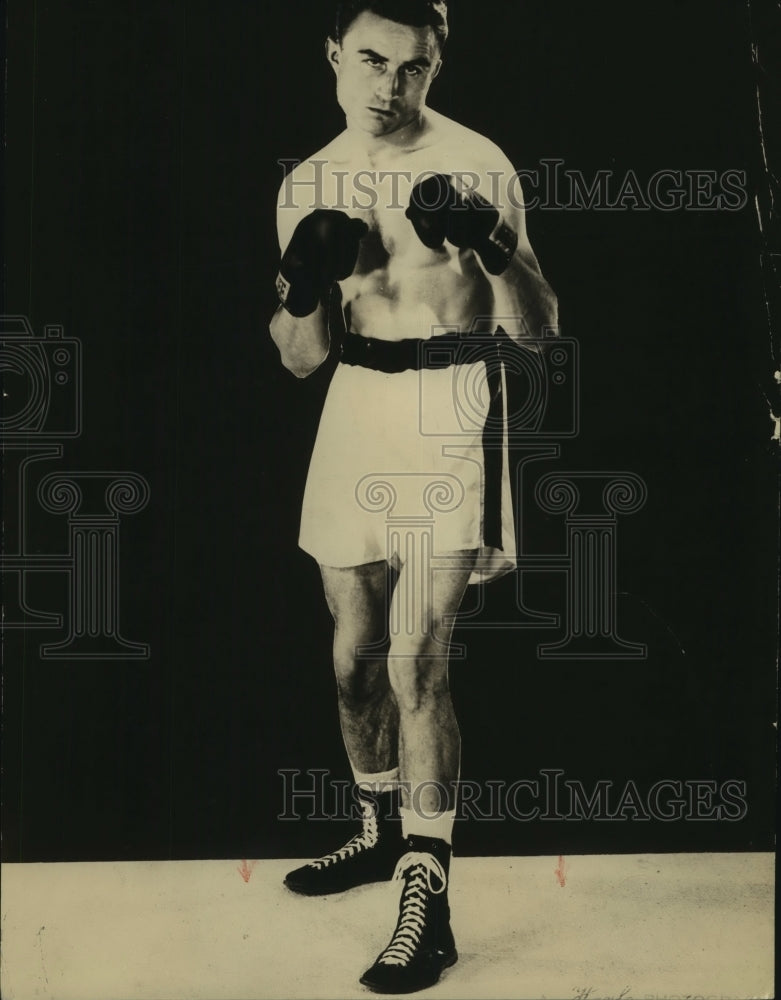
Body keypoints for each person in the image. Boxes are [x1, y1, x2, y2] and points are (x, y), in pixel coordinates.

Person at [269, 1, 557, 992]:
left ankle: (425, 904)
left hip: (452, 402)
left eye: (414, 67)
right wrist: (307, 285)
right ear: (334, 58)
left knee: (414, 663)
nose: (390, 86)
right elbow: (301, 360)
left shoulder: (478, 160)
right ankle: (374, 825)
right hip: (356, 400)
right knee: (352, 658)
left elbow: (537, 330)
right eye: (371, 61)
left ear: (438, 65)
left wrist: (491, 248)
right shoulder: (310, 179)